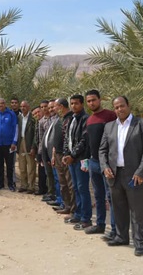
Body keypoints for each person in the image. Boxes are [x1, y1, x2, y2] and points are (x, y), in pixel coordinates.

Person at [99, 96, 143, 257]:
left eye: (122, 106)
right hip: (115, 176)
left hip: (136, 176)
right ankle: (121, 237)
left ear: (128, 105)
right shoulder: (109, 127)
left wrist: (141, 172)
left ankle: (141, 243)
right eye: (116, 107)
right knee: (119, 209)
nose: (119, 110)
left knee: (138, 212)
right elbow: (102, 150)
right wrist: (105, 167)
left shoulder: (142, 124)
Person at [84, 90, 117, 237]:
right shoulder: (90, 119)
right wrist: (86, 160)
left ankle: (116, 229)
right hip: (93, 162)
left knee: (111, 197)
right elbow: (89, 142)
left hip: (107, 163)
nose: (91, 103)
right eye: (89, 101)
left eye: (93, 100)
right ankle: (100, 225)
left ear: (100, 100)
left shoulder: (110, 116)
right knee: (98, 196)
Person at [62, 94, 92, 231]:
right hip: (72, 160)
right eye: (72, 103)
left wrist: (73, 155)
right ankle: (78, 214)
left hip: (81, 160)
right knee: (75, 188)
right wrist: (66, 154)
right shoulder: (71, 119)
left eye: (76, 103)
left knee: (82, 188)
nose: (74, 106)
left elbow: (84, 141)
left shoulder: (86, 119)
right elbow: (67, 138)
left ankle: (86, 219)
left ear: (82, 104)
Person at [48, 98, 75, 216]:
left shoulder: (70, 119)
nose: (53, 109)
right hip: (58, 155)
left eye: (55, 106)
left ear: (61, 106)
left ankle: (74, 210)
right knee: (62, 182)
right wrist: (54, 154)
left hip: (67, 156)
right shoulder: (60, 119)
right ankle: (66, 205)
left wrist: (68, 154)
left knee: (70, 184)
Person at [17, 100, 37, 193]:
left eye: (24, 106)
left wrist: (33, 146)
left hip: (29, 143)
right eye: (21, 106)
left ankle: (31, 186)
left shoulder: (33, 118)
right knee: (22, 166)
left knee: (31, 166)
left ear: (28, 107)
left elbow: (36, 134)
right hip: (21, 142)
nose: (22, 108)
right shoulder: (19, 117)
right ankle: (23, 185)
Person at [35, 100, 52, 196]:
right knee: (45, 172)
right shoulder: (41, 121)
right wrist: (40, 153)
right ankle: (45, 190)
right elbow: (41, 139)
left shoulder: (54, 119)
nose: (44, 108)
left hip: (54, 150)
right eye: (42, 107)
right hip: (44, 150)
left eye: (46, 106)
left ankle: (53, 193)